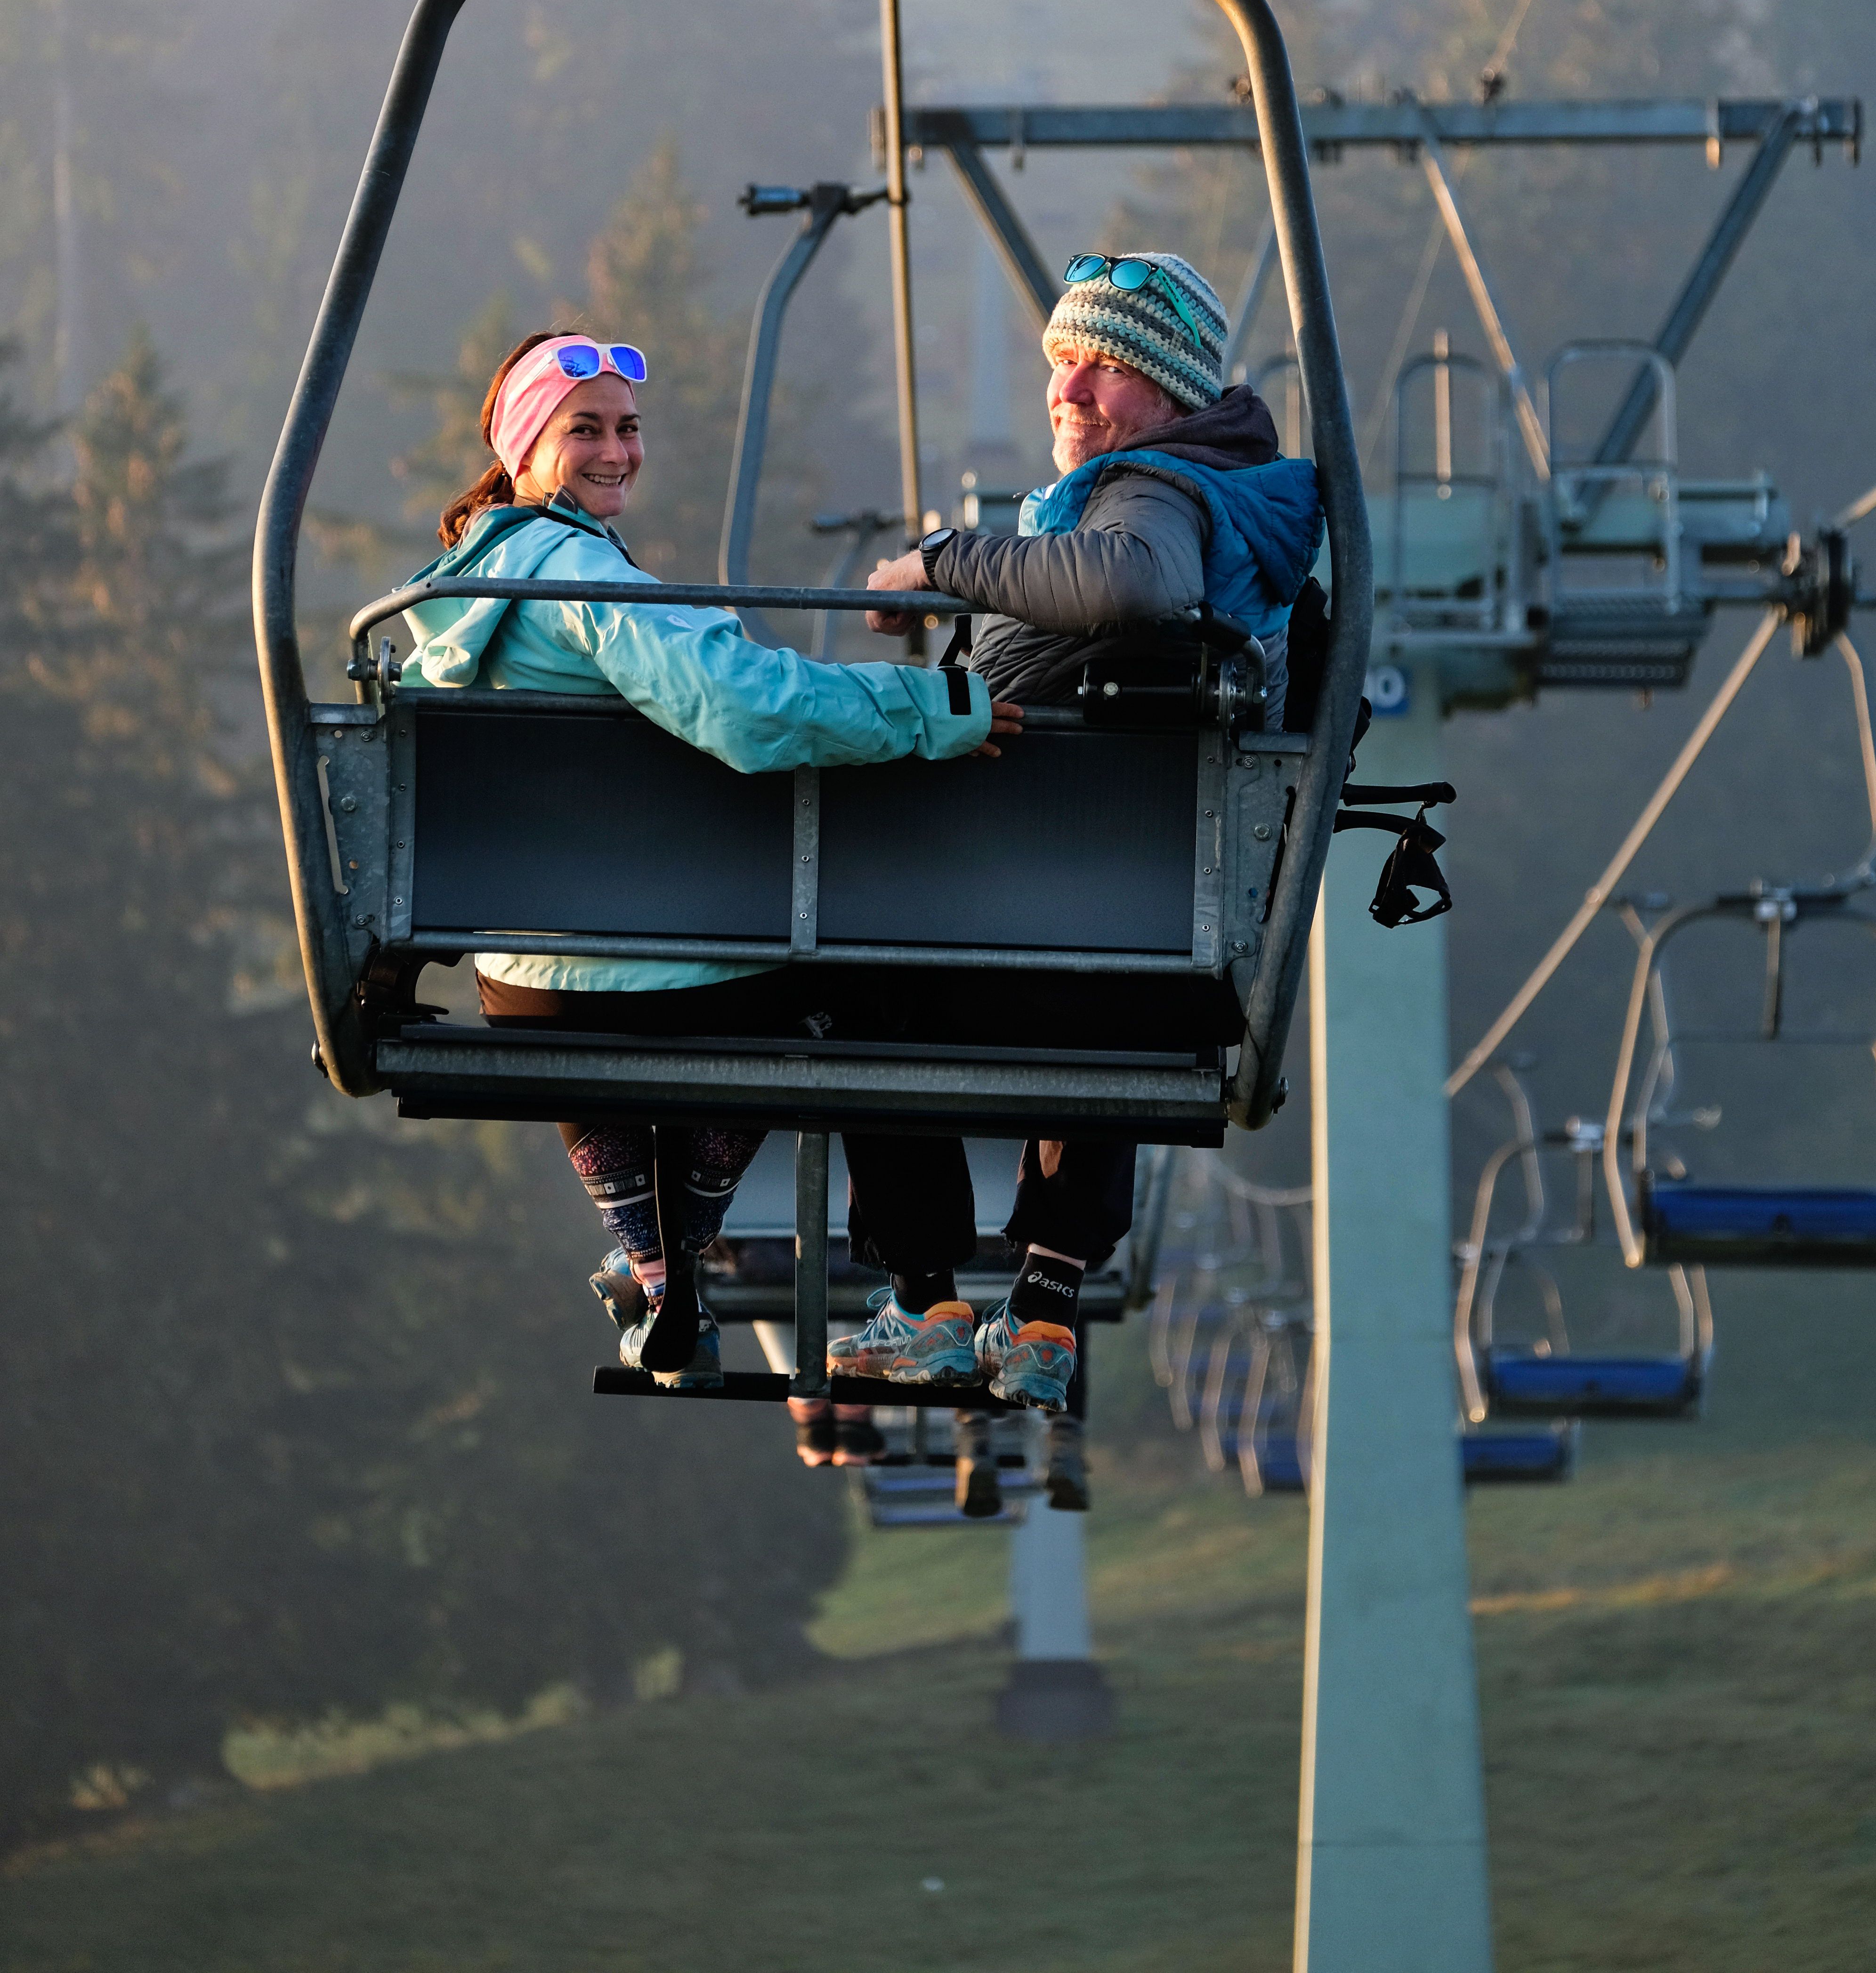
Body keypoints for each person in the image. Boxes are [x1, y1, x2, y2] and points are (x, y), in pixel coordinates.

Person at [397, 329, 1018, 1391]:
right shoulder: (576, 570)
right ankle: (924, 1293)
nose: (616, 452)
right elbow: (741, 706)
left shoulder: (446, 600)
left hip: (523, 982)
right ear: (523, 448)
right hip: (671, 970)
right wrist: (931, 706)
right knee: (865, 980)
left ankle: (657, 1263)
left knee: (707, 965)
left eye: (628, 430)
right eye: (584, 429)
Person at [826, 249, 1323, 1419]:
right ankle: (1043, 1303)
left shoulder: (1153, 494)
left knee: (839, 974)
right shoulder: (1222, 506)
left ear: (1173, 392)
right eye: (1060, 360)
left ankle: (924, 1294)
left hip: (1010, 925)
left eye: (1103, 365)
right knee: (1110, 945)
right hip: (1151, 958)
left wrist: (943, 562)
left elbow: (1135, 587)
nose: (1071, 387)